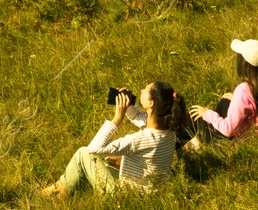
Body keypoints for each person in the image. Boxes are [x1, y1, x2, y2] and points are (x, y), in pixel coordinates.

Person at [41, 80, 191, 197]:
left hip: (123, 195)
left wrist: (117, 119)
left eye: (145, 90)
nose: (141, 91)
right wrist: (128, 105)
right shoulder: (169, 130)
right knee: (106, 162)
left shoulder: (140, 140)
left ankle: (58, 192)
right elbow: (141, 119)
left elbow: (95, 149)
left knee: (83, 154)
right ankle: (69, 186)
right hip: (147, 192)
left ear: (151, 103)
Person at [188, 38, 258, 141]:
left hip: (247, 139)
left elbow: (228, 129)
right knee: (225, 102)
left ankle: (193, 142)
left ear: (243, 63)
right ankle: (196, 140)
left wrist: (207, 113)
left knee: (195, 115)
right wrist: (235, 99)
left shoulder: (243, 90)